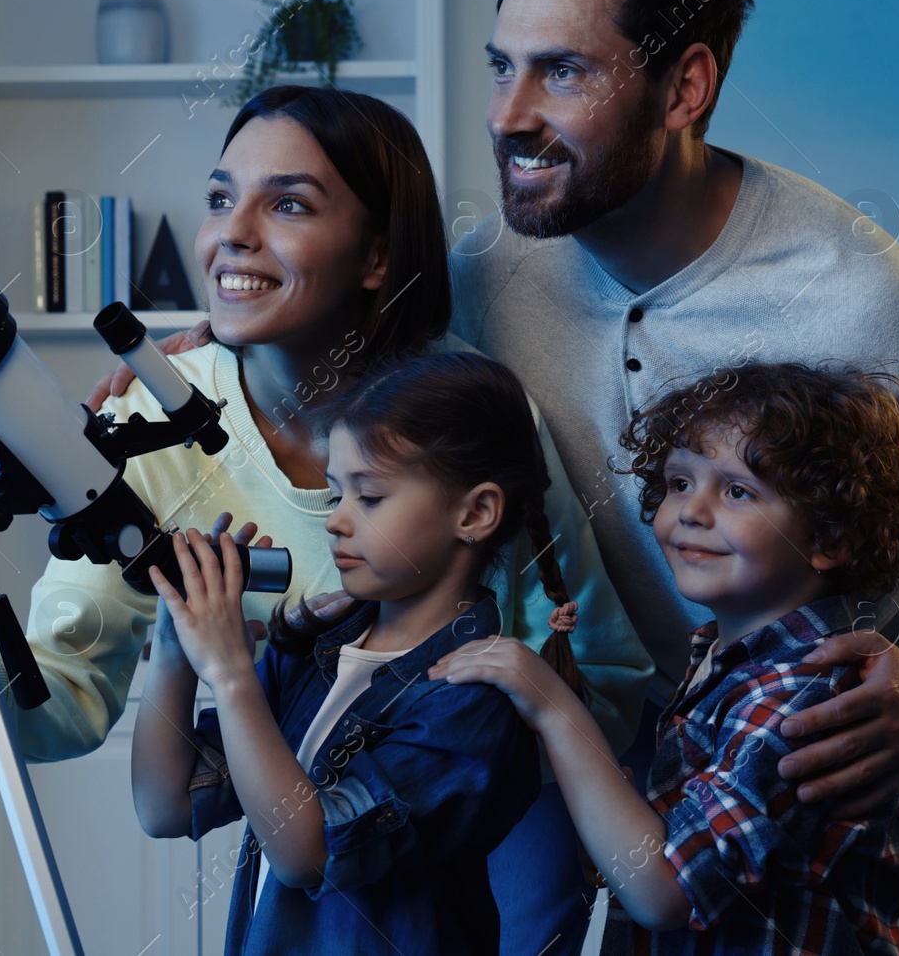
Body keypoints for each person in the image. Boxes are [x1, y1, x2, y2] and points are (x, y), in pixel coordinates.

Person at [95, 0, 899, 952]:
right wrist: (215, 336)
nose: (509, 113)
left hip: (873, 776)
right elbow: (361, 336)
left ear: (683, 87)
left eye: (562, 71)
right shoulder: (487, 272)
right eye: (500, 66)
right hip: (657, 773)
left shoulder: (856, 295)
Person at [0, 85, 654, 952]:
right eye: (222, 198)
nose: (232, 230)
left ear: (377, 254)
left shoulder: (471, 419)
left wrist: (420, 793)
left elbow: (597, 666)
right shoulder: (147, 427)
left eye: (290, 204)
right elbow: (73, 696)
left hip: (486, 837)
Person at [434, 362, 899, 954]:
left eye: (738, 491)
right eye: (679, 483)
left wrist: (551, 705)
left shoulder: (803, 696)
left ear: (829, 540)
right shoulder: (726, 659)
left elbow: (665, 892)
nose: (691, 511)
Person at [133, 351, 582, 954]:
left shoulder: (474, 700)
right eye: (333, 491)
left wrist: (231, 673)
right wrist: (176, 647)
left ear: (475, 513)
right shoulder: (318, 652)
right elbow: (166, 805)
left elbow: (309, 855)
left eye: (368, 497)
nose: (335, 522)